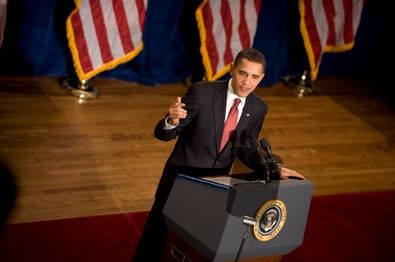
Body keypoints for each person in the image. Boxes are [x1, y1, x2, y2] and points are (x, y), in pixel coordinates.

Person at [132, 48, 305, 261]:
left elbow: (246, 148)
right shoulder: (201, 92)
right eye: (243, 73)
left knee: (194, 241)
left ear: (261, 79)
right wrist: (171, 121)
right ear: (232, 69)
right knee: (158, 235)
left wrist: (272, 169)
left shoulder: (258, 108)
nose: (247, 82)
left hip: (215, 184)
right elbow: (164, 134)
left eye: (254, 77)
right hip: (181, 179)